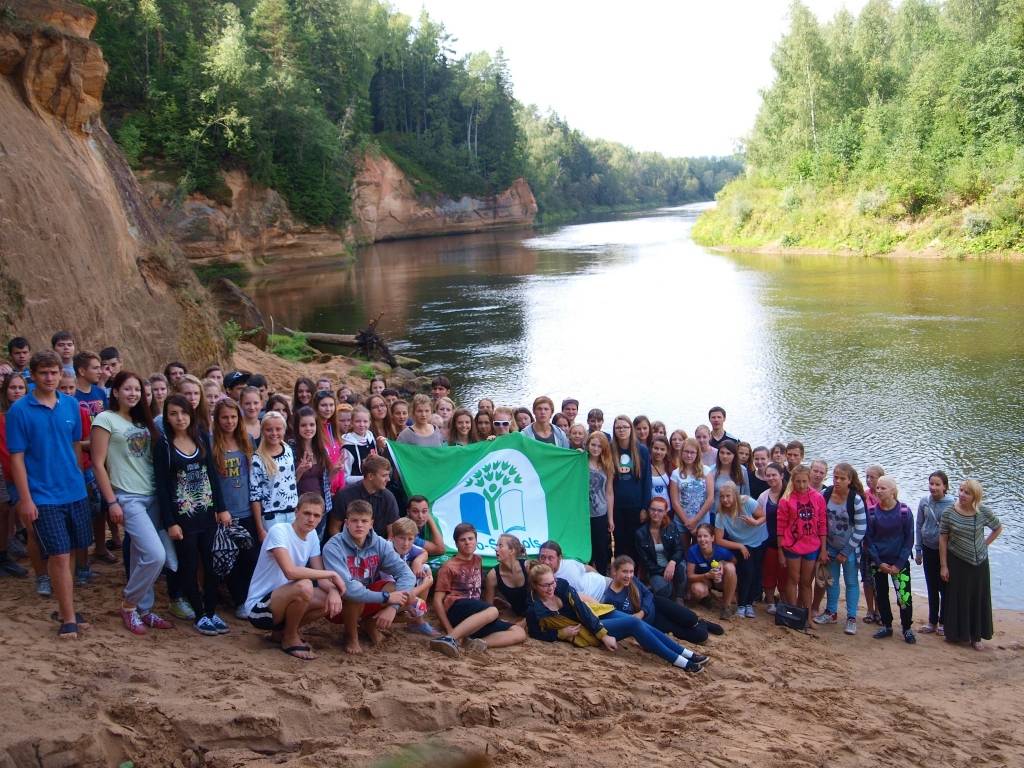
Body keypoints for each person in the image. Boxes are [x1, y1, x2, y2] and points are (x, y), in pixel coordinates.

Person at [7, 351, 90, 638]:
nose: (50, 377)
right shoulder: (19, 411)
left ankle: (66, 607)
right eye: (44, 373)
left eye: (54, 372)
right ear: (33, 375)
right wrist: (25, 498)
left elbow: (76, 445)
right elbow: (16, 457)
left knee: (72, 552)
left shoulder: (70, 405)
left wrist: (79, 476)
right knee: (58, 554)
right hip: (43, 494)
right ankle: (67, 618)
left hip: (73, 490)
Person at [91, 370, 174, 635]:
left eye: (137, 389)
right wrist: (112, 501)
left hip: (152, 496)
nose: (133, 394)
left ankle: (145, 608)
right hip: (128, 498)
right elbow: (97, 463)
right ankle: (129, 605)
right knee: (155, 555)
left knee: (142, 556)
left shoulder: (144, 423)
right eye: (127, 389)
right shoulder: (106, 419)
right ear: (115, 392)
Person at [525, 562, 705, 673]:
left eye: (552, 582)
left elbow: (582, 609)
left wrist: (603, 633)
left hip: (593, 615)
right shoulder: (535, 609)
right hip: (585, 630)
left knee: (638, 622)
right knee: (634, 622)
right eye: (545, 585)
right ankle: (682, 662)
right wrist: (559, 634)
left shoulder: (562, 586)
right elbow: (535, 633)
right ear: (534, 586)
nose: (551, 588)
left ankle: (686, 653)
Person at [155, 394, 231, 636]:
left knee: (210, 565)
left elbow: (212, 475)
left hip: (207, 514)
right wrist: (170, 522)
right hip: (183, 518)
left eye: (184, 413)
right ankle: (199, 614)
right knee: (188, 566)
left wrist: (221, 507)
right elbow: (162, 487)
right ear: (166, 416)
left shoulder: (201, 438)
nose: (180, 418)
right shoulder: (163, 445)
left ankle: (211, 610)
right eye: (174, 413)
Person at [243, 494, 345, 660]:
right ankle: (290, 638)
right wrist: (332, 574)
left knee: (326, 598)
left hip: (281, 601)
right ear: (296, 512)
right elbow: (290, 571)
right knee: (304, 586)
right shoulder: (279, 531)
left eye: (316, 515)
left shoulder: (312, 536)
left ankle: (281, 633)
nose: (311, 519)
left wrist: (334, 591)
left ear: (321, 518)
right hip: (259, 609)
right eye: (307, 513)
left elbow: (321, 579)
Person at [321, 499, 417, 653]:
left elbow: (407, 575)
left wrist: (393, 607)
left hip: (368, 596)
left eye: (364, 521)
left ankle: (369, 624)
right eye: (354, 521)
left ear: (371, 523)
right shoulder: (333, 546)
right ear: (346, 523)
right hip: (338, 603)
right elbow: (348, 589)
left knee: (408, 594)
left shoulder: (380, 543)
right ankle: (351, 636)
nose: (359, 525)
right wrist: (386, 598)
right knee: (354, 593)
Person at [430, 523, 527, 658]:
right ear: (456, 544)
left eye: (470, 539)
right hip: (456, 609)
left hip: (474, 615)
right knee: (492, 611)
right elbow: (437, 601)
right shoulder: (449, 567)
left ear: (476, 541)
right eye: (463, 540)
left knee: (518, 631)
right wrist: (449, 629)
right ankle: (449, 638)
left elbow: (476, 592)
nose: (467, 543)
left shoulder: (478, 560)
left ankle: (476, 643)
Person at [940, 479, 1002, 650]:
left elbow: (997, 527)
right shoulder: (949, 512)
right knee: (957, 597)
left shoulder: (982, 512)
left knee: (978, 597)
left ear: (975, 496)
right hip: (957, 560)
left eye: (967, 492)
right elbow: (943, 538)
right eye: (960, 490)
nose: (962, 495)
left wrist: (985, 544)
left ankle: (976, 637)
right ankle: (955, 634)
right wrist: (943, 565)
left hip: (979, 562)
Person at [210, 398, 258, 614]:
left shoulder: (247, 440)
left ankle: (250, 598)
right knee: (231, 558)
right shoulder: (211, 443)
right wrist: (219, 509)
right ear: (217, 420)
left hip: (247, 507)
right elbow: (210, 481)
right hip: (225, 511)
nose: (229, 421)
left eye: (233, 417)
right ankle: (239, 600)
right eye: (224, 417)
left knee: (251, 556)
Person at [603, 555, 714, 645]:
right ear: (615, 572)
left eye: (631, 571)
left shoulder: (633, 580)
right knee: (700, 636)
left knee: (691, 618)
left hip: (657, 604)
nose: (629, 575)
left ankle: (698, 621)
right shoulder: (610, 598)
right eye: (625, 572)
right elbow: (622, 624)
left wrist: (642, 612)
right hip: (653, 622)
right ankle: (703, 624)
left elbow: (648, 594)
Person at [814, 463, 868, 635]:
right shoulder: (826, 494)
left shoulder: (855, 499)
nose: (837, 481)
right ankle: (831, 612)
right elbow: (820, 522)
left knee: (851, 582)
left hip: (850, 549)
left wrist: (846, 552)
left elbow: (861, 528)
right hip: (830, 547)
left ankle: (851, 618)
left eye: (842, 478)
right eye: (835, 477)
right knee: (832, 581)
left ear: (849, 480)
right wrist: (823, 548)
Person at [864, 476, 916, 643]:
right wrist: (879, 562)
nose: (878, 491)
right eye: (877, 488)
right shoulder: (871, 512)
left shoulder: (904, 512)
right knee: (881, 595)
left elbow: (909, 540)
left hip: (899, 562)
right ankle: (887, 625)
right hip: (879, 562)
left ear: (893, 491)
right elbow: (869, 540)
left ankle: (907, 627)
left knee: (904, 597)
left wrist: (899, 563)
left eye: (882, 488)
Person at [777, 464, 826, 614]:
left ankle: (808, 614)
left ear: (809, 479)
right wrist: (780, 551)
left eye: (804, 481)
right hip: (792, 546)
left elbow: (822, 524)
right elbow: (780, 527)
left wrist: (823, 549)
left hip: (812, 546)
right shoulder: (786, 500)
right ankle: (793, 613)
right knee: (793, 580)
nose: (801, 485)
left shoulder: (817, 497)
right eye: (798, 481)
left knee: (806, 582)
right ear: (793, 480)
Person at [714, 481, 767, 618]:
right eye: (722, 497)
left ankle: (749, 604)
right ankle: (742, 605)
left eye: (728, 496)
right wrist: (740, 546)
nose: (725, 500)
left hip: (759, 539)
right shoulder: (721, 514)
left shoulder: (748, 502)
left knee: (756, 572)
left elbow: (763, 516)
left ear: (735, 496)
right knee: (746, 571)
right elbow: (718, 539)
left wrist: (755, 522)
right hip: (742, 543)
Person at [250, 411, 298, 540]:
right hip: (272, 516)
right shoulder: (258, 459)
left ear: (284, 429)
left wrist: (302, 470)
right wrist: (260, 529)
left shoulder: (287, 448)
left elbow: (290, 481)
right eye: (269, 430)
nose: (274, 433)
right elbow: (255, 496)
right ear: (263, 431)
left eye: (278, 429)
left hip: (293, 512)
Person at [916, 470, 953, 636]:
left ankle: (944, 622)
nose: (933, 487)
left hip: (946, 551)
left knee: (945, 588)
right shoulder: (924, 502)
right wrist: (918, 549)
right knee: (931, 587)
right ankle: (932, 621)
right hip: (928, 548)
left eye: (938, 484)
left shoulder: (952, 504)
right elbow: (918, 525)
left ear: (945, 486)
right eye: (931, 483)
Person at [328, 455, 400, 540]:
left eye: (388, 475)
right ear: (370, 476)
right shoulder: (345, 495)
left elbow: (392, 531)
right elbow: (333, 529)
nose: (388, 479)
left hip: (379, 549)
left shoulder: (388, 497)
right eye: (384, 476)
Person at [0, 373, 29, 578]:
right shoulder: (2, 416)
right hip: (5, 470)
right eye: (13, 387)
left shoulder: (29, 413)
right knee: (4, 513)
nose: (17, 391)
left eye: (21, 387)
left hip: (26, 471)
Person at [388, 517, 438, 635]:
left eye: (410, 539)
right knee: (418, 604)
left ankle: (416, 621)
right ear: (393, 537)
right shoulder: (388, 551)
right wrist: (426, 585)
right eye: (401, 538)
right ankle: (415, 616)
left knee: (425, 569)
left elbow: (424, 552)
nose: (406, 543)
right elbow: (394, 590)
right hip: (384, 596)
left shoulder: (408, 547)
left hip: (400, 592)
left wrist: (417, 562)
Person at [611, 415, 650, 562]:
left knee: (636, 542)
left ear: (630, 429)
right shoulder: (610, 448)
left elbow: (647, 481)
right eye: (618, 427)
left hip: (636, 506)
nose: (621, 430)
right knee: (620, 542)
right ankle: (621, 574)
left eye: (624, 427)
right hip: (617, 506)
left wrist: (645, 507)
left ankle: (635, 576)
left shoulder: (641, 450)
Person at [291, 406, 335, 532]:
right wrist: (300, 471)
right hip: (299, 509)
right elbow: (286, 485)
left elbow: (325, 482)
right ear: (297, 427)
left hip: (320, 508)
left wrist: (334, 471)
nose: (308, 428)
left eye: (312, 424)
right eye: (303, 425)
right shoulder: (290, 449)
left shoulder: (321, 448)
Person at [635, 496, 687, 599]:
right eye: (653, 509)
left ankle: (680, 597)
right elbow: (645, 561)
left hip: (671, 565)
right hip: (654, 570)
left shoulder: (671, 527)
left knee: (681, 568)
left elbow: (679, 549)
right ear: (648, 510)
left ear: (665, 512)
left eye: (660, 510)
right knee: (663, 590)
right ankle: (667, 592)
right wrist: (663, 571)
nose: (656, 513)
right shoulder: (640, 533)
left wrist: (672, 562)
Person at [686, 524, 738, 617]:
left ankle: (726, 607)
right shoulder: (692, 551)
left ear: (712, 538)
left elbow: (734, 561)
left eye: (705, 536)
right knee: (697, 591)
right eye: (699, 536)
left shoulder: (721, 551)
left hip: (719, 580)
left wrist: (723, 563)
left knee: (730, 567)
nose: (702, 539)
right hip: (704, 580)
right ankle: (709, 597)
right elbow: (690, 576)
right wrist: (706, 575)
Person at [670, 437, 714, 544]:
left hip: (701, 520)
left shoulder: (706, 471)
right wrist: (687, 522)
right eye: (686, 452)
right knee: (683, 552)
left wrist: (695, 520)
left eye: (692, 452)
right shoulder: (676, 474)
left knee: (699, 551)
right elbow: (675, 502)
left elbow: (710, 498)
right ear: (682, 453)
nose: (689, 455)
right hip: (682, 520)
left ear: (697, 454)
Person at [536, 540, 609, 602]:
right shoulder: (537, 573)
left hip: (604, 586)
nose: (546, 562)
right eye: (542, 557)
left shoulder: (570, 566)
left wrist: (601, 577)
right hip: (594, 602)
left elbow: (587, 568)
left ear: (560, 558)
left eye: (550, 558)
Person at [757, 462, 786, 614]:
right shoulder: (764, 496)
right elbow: (758, 517)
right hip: (769, 540)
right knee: (769, 572)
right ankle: (770, 601)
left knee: (785, 574)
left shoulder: (789, 493)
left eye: (774, 475)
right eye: (768, 475)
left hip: (788, 542)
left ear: (781, 475)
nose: (771, 478)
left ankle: (783, 600)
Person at [586, 431, 614, 574]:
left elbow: (609, 492)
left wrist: (610, 518)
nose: (595, 448)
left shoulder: (607, 465)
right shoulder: (581, 461)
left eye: (599, 446)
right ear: (588, 445)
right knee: (587, 548)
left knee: (601, 548)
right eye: (593, 445)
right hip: (584, 513)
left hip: (600, 512)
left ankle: (602, 575)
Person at [484, 533, 532, 617]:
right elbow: (488, 608)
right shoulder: (492, 575)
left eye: (500, 546)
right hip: (514, 616)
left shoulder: (528, 567)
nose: (496, 549)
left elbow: (540, 599)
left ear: (511, 550)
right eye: (496, 546)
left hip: (536, 614)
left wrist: (524, 621)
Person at [861, 463, 885, 624]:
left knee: (881, 580)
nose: (869, 480)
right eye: (867, 476)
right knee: (867, 579)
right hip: (865, 544)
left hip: (883, 546)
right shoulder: (863, 496)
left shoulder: (887, 496)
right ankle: (870, 609)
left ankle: (880, 610)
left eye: (872, 477)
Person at [708, 439, 750, 525]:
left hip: (735, 515)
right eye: (722, 453)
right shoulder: (711, 471)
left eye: (728, 453)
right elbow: (707, 496)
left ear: (734, 455)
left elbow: (746, 494)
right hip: (715, 514)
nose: (724, 456)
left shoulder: (742, 471)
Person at [341, 405, 376, 483]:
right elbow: (345, 478)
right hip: (356, 489)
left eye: (365, 421)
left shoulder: (371, 438)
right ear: (351, 422)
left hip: (372, 484)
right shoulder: (347, 446)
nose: (362, 425)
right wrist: (367, 478)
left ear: (370, 422)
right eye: (358, 421)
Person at [73, 351, 107, 417]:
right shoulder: (71, 395)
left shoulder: (100, 392)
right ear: (82, 371)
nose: (100, 372)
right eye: (95, 368)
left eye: (99, 368)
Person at [648, 435, 672, 508]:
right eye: (656, 448)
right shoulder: (645, 467)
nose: (658, 452)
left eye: (662, 449)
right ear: (651, 448)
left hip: (667, 509)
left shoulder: (670, 467)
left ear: (666, 451)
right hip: (651, 510)